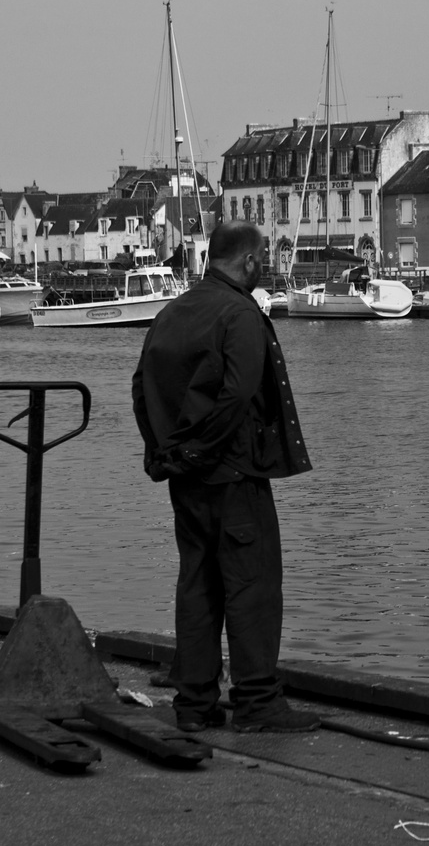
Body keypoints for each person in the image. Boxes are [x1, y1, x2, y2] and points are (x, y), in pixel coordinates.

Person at [132, 220, 320, 734]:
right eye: (264, 258)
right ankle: (258, 702)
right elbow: (238, 396)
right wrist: (201, 450)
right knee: (252, 585)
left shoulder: (173, 312)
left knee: (197, 583)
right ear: (251, 261)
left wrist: (166, 453)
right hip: (232, 475)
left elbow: (140, 385)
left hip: (185, 479)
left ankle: (194, 704)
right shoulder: (239, 313)